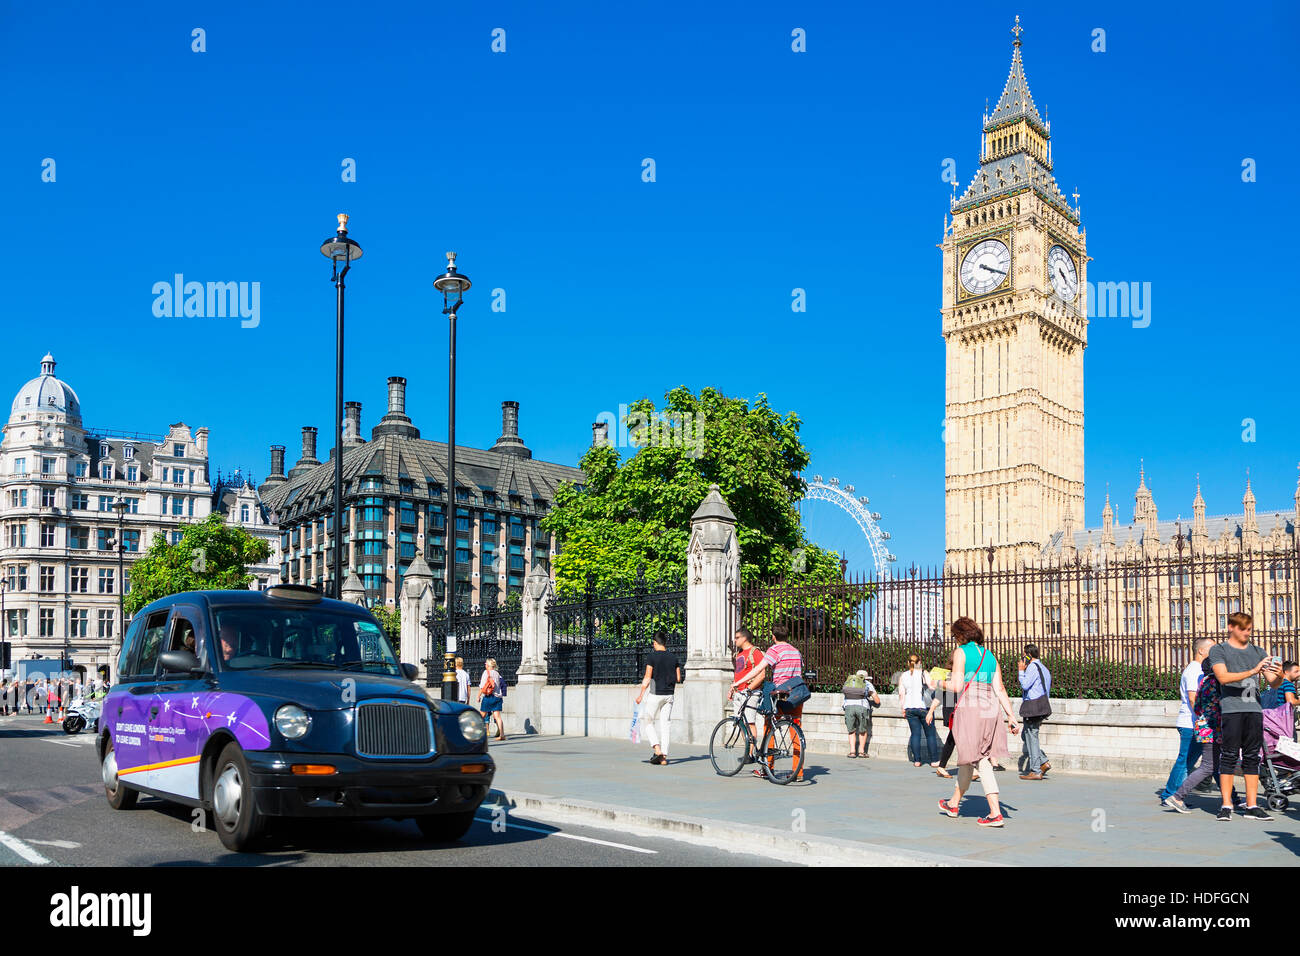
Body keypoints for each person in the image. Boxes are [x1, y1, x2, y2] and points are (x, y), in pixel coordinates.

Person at [937, 617, 1019, 827]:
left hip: (970, 707)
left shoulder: (961, 652)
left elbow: (956, 686)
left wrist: (936, 682)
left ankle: (995, 812)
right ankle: (953, 803)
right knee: (969, 756)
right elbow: (1000, 688)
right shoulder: (989, 655)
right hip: (990, 707)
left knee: (980, 758)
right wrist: (1011, 715)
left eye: (955, 636)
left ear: (960, 635)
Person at [1208, 611, 1282, 821]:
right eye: (1242, 629)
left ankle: (1252, 805)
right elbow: (1223, 677)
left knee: (1252, 757)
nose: (1247, 633)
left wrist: (1279, 675)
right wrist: (1253, 671)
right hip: (1232, 709)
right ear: (1231, 627)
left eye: (1249, 629)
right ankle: (1226, 805)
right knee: (1229, 756)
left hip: (1254, 710)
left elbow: (1272, 682)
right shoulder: (1219, 650)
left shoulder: (1258, 651)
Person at [732, 624, 807, 781]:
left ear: (773, 636)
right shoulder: (796, 651)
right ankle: (798, 772)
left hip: (780, 694)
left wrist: (738, 682)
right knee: (795, 731)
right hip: (796, 694)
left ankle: (767, 768)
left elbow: (759, 669)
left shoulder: (774, 650)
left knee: (769, 727)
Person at [1164, 652, 1225, 813]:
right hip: (1212, 728)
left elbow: (1196, 705)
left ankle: (1232, 798)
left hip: (1203, 726)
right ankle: (1176, 796)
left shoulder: (1203, 682)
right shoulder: (1215, 683)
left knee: (1213, 765)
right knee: (1207, 766)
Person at [1161, 637, 1214, 801]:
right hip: (1190, 723)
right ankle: (1170, 794)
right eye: (1212, 648)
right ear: (1201, 651)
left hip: (1195, 723)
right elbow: (1193, 698)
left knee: (1190, 761)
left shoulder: (1199, 669)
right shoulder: (1194, 670)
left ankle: (1173, 794)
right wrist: (1204, 719)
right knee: (1185, 760)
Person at [635, 632, 681, 765]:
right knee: (665, 724)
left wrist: (641, 694)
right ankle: (663, 757)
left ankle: (657, 749)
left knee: (647, 720)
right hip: (669, 694)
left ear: (655, 643)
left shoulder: (652, 657)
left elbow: (647, 677)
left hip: (655, 693)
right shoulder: (673, 657)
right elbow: (678, 678)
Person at [930, 650, 977, 781]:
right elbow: (940, 695)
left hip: (958, 710)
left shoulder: (960, 675)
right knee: (959, 738)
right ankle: (971, 768)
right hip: (954, 711)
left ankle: (943, 766)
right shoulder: (950, 675)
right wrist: (930, 710)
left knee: (954, 739)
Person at [727, 627, 765, 759]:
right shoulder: (739, 654)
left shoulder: (755, 652)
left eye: (737, 637)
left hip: (750, 692)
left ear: (744, 638)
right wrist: (732, 689)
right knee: (741, 723)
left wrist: (749, 689)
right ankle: (748, 750)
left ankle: (751, 753)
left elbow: (761, 674)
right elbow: (739, 674)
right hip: (739, 692)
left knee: (750, 722)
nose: (735, 640)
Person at [1017, 644, 1052, 780]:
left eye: (1024, 655)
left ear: (1028, 655)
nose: (1022, 658)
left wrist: (1021, 671)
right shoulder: (1044, 668)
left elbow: (1025, 685)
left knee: (1031, 736)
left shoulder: (1032, 667)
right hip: (1041, 706)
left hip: (1033, 706)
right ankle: (1043, 761)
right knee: (1026, 735)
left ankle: (1036, 770)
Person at [899, 654, 939, 767]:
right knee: (930, 734)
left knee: (915, 734)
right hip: (923, 707)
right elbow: (932, 687)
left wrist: (903, 708)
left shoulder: (903, 675)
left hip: (909, 708)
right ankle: (934, 760)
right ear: (920, 662)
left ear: (908, 663)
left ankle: (917, 760)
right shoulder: (924, 673)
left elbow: (901, 694)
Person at [842, 669, 881, 758]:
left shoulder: (849, 682)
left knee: (851, 730)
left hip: (848, 707)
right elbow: (877, 701)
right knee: (862, 730)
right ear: (866, 678)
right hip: (862, 707)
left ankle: (852, 752)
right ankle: (861, 752)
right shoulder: (867, 684)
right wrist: (869, 699)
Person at [478, 658, 506, 741]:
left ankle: (476, 733)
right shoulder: (497, 673)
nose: (485, 665)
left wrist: (478, 696)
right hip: (497, 697)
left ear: (488, 665)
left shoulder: (486, 672)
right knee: (497, 716)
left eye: (486, 663)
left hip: (488, 697)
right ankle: (502, 735)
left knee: (481, 715)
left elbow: (482, 686)